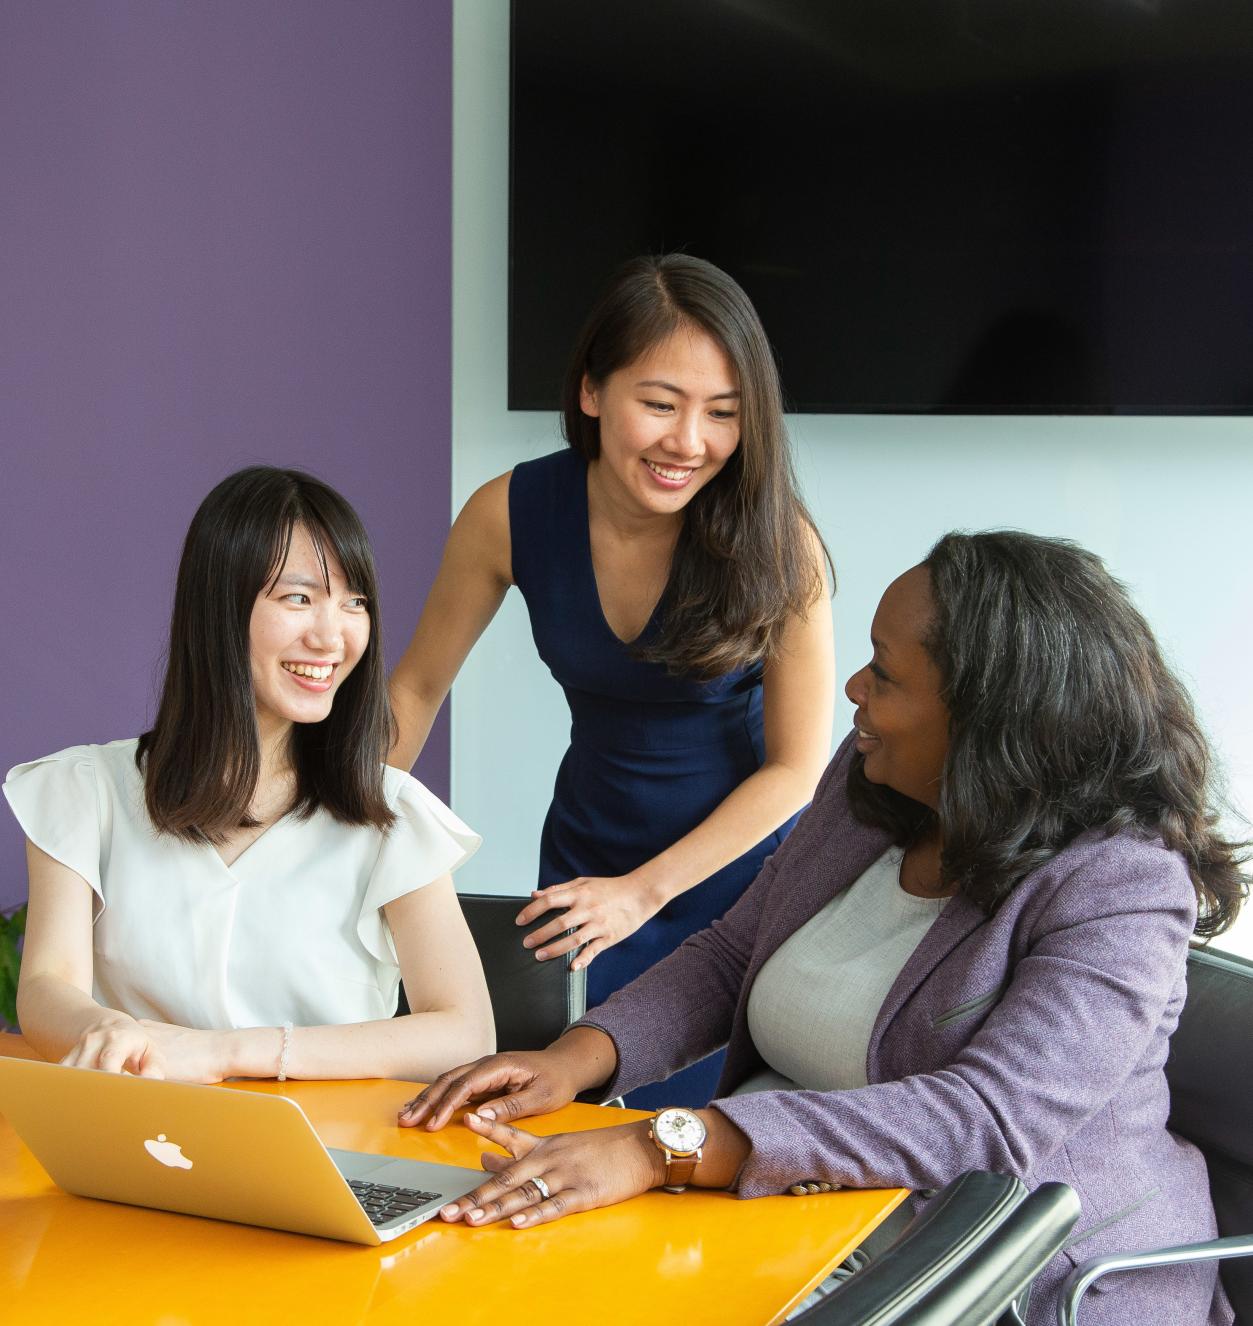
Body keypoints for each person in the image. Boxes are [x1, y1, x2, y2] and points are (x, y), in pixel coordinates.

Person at [398, 530, 1247, 1326]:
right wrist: (571, 1062)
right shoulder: (872, 778)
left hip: (995, 1276)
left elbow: (983, 1120)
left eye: (884, 674)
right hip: (791, 1223)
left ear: (988, 720)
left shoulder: (1122, 885)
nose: (853, 690)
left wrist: (667, 1145)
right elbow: (735, 954)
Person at [388, 255, 834, 1106]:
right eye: (659, 404)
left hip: (744, 879)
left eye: (723, 414)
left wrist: (643, 894)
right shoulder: (506, 513)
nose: (688, 441)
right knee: (567, 1116)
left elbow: (796, 771)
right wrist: (340, 835)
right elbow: (413, 692)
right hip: (588, 862)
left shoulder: (781, 543)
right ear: (592, 391)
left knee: (699, 1139)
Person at [7, 466, 494, 1084]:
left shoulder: (390, 812)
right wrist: (102, 1030)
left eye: (354, 603)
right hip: (140, 1140)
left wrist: (226, 1053)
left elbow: (466, 1031)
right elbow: (48, 985)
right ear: (219, 607)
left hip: (330, 1155)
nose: (331, 635)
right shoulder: (83, 790)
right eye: (298, 598)